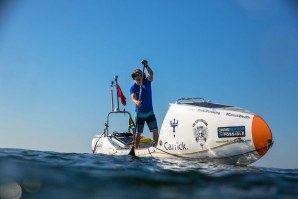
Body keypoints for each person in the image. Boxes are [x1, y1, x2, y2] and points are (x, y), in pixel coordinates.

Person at [130, 60, 159, 148]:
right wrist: (136, 102)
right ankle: (135, 149)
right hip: (139, 113)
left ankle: (156, 147)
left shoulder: (147, 82)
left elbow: (151, 74)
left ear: (142, 76)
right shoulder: (133, 87)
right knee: (138, 133)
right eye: (135, 75)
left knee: (155, 130)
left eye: (139, 74)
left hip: (150, 111)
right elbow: (132, 97)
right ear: (134, 78)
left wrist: (146, 66)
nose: (138, 76)